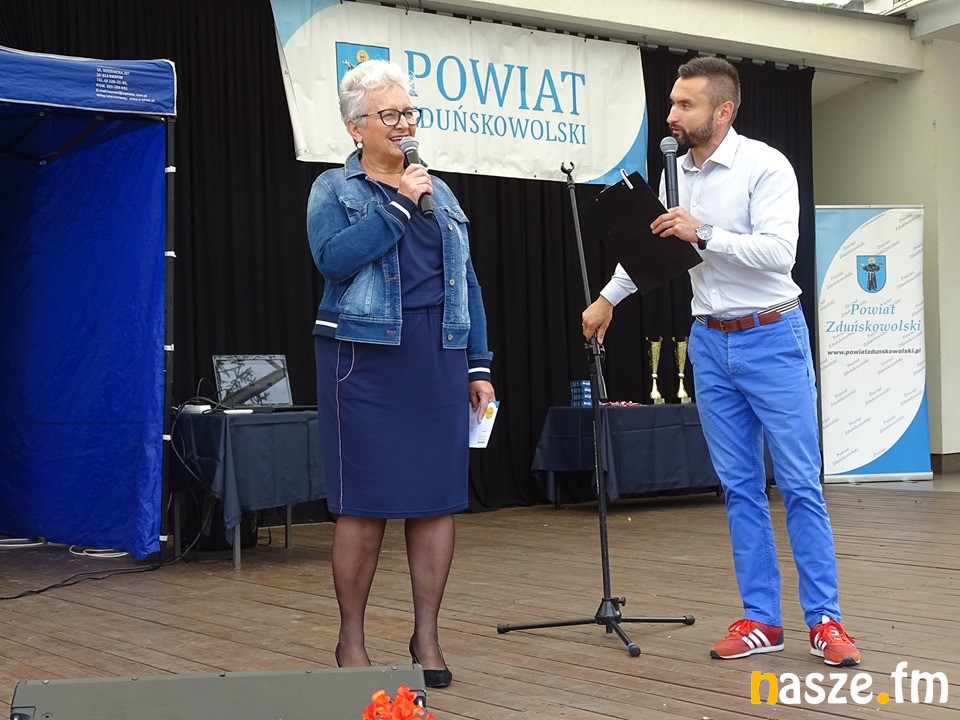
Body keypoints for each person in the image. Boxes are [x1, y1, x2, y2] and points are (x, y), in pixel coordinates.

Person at [582, 57, 860, 667]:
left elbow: (780, 253)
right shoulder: (674, 175)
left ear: (723, 111)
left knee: (799, 484)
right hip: (709, 341)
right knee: (738, 488)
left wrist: (702, 232)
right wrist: (607, 299)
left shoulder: (765, 165)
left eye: (686, 105)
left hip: (772, 335)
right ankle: (762, 620)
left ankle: (825, 620)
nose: (672, 115)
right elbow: (652, 246)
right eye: (672, 103)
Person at [306, 59, 496, 687]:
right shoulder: (333, 190)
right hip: (364, 358)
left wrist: (478, 363)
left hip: (437, 355)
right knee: (363, 505)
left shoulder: (440, 191)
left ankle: (427, 636)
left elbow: (466, 281)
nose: (404, 124)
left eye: (409, 112)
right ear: (354, 126)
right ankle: (351, 643)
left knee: (436, 502)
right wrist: (397, 207)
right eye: (389, 114)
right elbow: (333, 260)